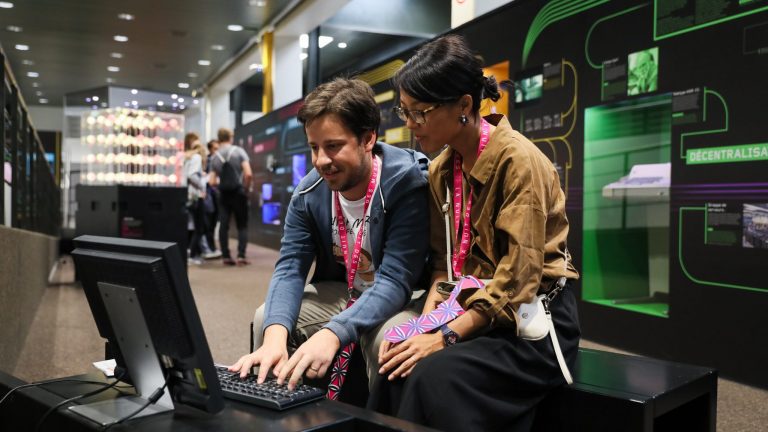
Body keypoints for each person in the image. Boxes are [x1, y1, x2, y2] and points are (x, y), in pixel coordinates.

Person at [371, 34, 581, 431]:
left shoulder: (519, 162)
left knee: (434, 377)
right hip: (470, 306)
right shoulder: (440, 169)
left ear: (464, 106)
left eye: (421, 113)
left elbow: (519, 280)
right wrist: (428, 319)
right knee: (393, 362)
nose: (411, 125)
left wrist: (444, 337)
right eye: (405, 111)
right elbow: (442, 262)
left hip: (530, 319)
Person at [228, 78, 431, 398]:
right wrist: (274, 337)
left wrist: (334, 332)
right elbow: (290, 267)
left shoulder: (406, 182)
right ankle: (273, 408)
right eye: (314, 147)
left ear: (367, 139)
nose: (321, 160)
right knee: (266, 318)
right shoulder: (308, 192)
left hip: (407, 296)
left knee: (390, 339)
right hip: (345, 290)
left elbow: (396, 279)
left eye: (333, 146)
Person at [209, 128, 252, 266]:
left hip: (223, 194)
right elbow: (248, 174)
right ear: (231, 137)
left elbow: (212, 181)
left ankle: (226, 256)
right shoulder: (238, 151)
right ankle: (241, 255)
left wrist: (221, 186)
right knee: (242, 225)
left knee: (224, 225)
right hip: (238, 193)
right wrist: (245, 188)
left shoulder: (215, 157)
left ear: (219, 138)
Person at [182, 133, 208, 265]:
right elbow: (192, 176)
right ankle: (192, 255)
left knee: (191, 227)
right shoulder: (197, 157)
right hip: (196, 197)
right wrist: (202, 185)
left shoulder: (187, 157)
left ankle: (190, 253)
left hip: (188, 196)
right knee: (199, 227)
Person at [202, 139, 222, 259]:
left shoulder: (220, 160)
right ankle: (210, 248)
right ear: (210, 149)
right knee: (208, 223)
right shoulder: (206, 160)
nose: (217, 151)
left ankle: (212, 247)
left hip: (217, 195)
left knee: (214, 222)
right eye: (215, 149)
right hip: (207, 195)